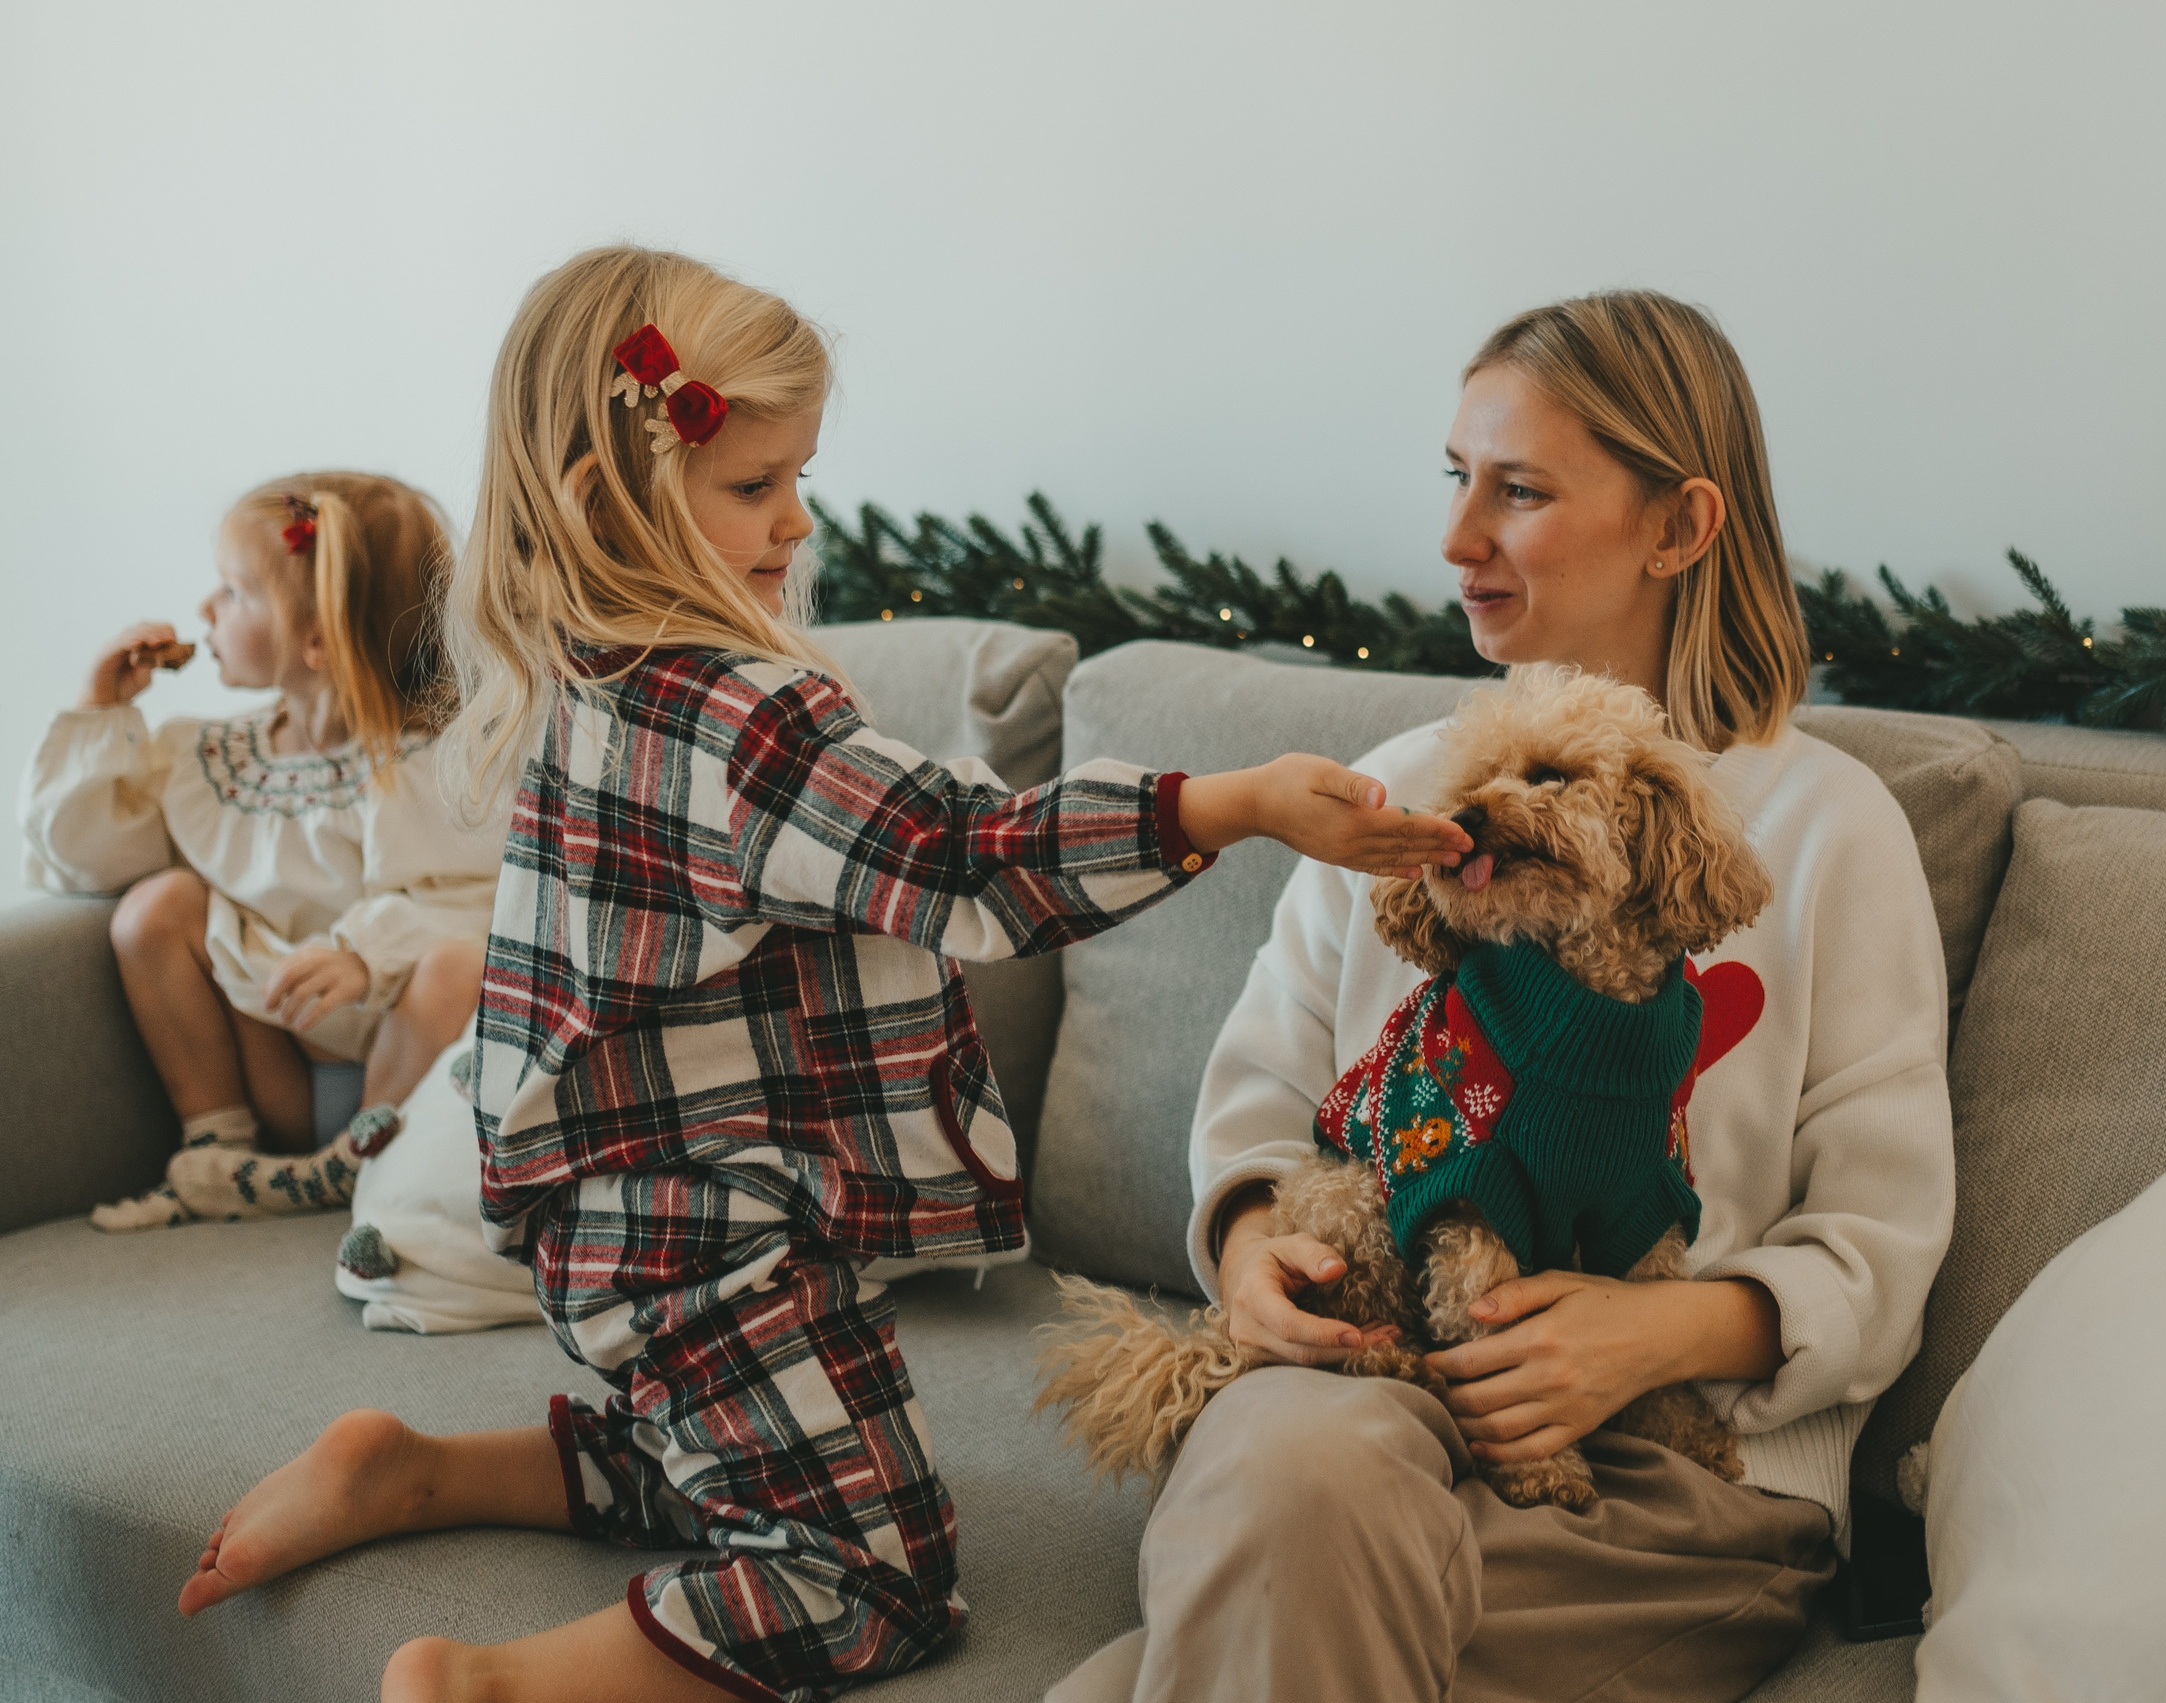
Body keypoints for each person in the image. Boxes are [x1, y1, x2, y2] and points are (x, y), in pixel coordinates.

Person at [171, 245, 1471, 1703]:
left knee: (768, 1466)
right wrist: (1227, 804)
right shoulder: (744, 715)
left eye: (801, 474)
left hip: (651, 1209)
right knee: (876, 1577)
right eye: (753, 486)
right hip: (694, 1232)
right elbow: (965, 856)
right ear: (611, 498)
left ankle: (409, 1466)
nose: (798, 516)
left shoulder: (588, 668)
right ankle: (482, 1683)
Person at [1051, 291, 1958, 1703]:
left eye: (1519, 490)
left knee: (1186, 1644)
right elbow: (1262, 1108)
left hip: (1679, 1482)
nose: (1458, 539)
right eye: (1458, 480)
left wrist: (1650, 1329)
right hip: (1367, 1396)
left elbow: (1880, 1245)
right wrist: (1248, 1260)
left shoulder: (1828, 828)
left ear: (1680, 526)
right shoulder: (1398, 789)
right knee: (1299, 1472)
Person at [23, 472, 499, 1230]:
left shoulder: (433, 767)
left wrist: (363, 955)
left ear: (317, 639)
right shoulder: (216, 763)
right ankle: (219, 1148)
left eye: (233, 591)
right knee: (158, 906)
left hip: (400, 1076)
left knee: (455, 965)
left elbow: (474, 904)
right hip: (283, 1067)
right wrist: (99, 708)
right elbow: (85, 863)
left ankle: (352, 1167)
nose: (206, 609)